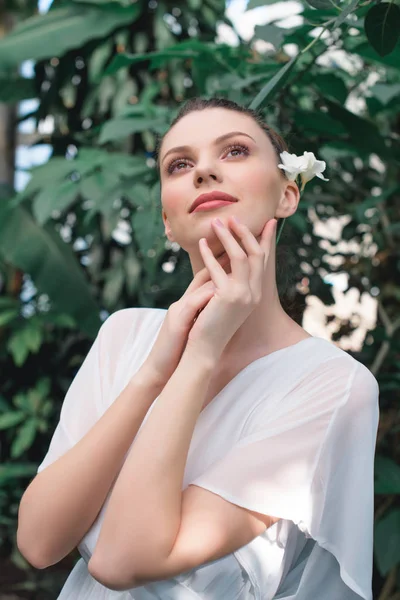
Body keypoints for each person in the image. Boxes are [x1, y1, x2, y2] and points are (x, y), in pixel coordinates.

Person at [17, 97, 380, 600]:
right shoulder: (125, 336)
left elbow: (123, 562)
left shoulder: (334, 385)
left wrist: (201, 354)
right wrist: (153, 371)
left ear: (287, 196)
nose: (205, 170)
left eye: (234, 152)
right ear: (167, 221)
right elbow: (38, 543)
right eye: (180, 164)